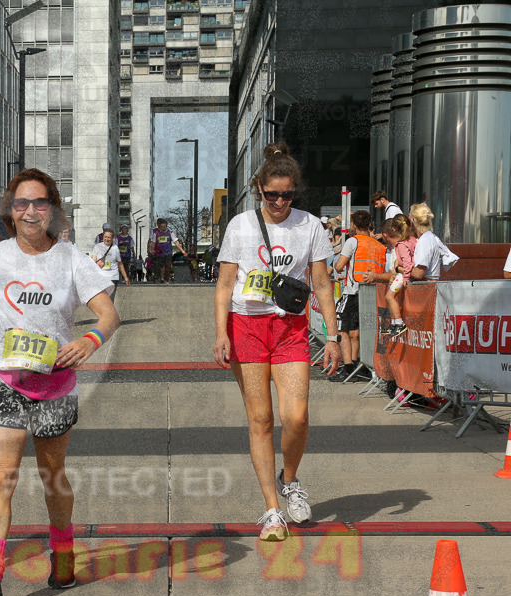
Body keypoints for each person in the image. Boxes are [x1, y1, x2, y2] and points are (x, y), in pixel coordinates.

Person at [0, 168, 120, 596]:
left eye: (39, 203)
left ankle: (62, 550)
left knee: (51, 476)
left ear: (52, 207)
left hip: (56, 384)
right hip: (4, 380)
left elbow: (107, 314)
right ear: (10, 209)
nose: (30, 211)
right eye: (21, 203)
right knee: (1, 477)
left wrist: (88, 341)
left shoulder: (70, 259)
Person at [213, 141, 341, 542]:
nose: (280, 202)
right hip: (247, 326)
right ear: (259, 190)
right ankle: (271, 509)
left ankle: (290, 480)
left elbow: (321, 281)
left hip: (290, 328)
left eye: (288, 194)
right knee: (261, 420)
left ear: (295, 191)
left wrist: (333, 337)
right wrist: (221, 332)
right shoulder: (241, 226)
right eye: (272, 195)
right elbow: (224, 284)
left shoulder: (310, 226)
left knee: (297, 417)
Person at [331, 210, 385, 381]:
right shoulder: (379, 245)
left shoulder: (353, 241)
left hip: (353, 290)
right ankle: (358, 364)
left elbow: (339, 266)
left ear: (354, 225)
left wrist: (338, 264)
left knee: (343, 329)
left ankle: (348, 368)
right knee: (359, 331)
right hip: (372, 292)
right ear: (369, 225)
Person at [408, 203, 459, 281]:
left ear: (413, 219)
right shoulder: (430, 237)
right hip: (429, 287)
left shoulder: (424, 241)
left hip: (426, 289)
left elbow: (418, 274)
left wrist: (400, 269)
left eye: (409, 216)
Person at [91, 226, 130, 301]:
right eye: (105, 237)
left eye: (109, 237)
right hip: (101, 277)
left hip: (113, 277)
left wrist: (125, 277)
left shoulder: (115, 248)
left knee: (110, 301)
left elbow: (120, 264)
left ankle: (108, 312)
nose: (107, 239)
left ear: (112, 239)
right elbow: (93, 262)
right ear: (103, 237)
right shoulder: (97, 247)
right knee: (102, 300)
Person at [148, 218, 184, 283]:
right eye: (161, 227)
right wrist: (152, 250)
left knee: (167, 266)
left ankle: (166, 278)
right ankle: (160, 278)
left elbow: (176, 242)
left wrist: (182, 250)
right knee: (160, 266)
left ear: (166, 226)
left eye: (164, 227)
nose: (163, 228)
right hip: (159, 253)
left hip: (168, 253)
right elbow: (153, 243)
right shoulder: (156, 233)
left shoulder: (170, 233)